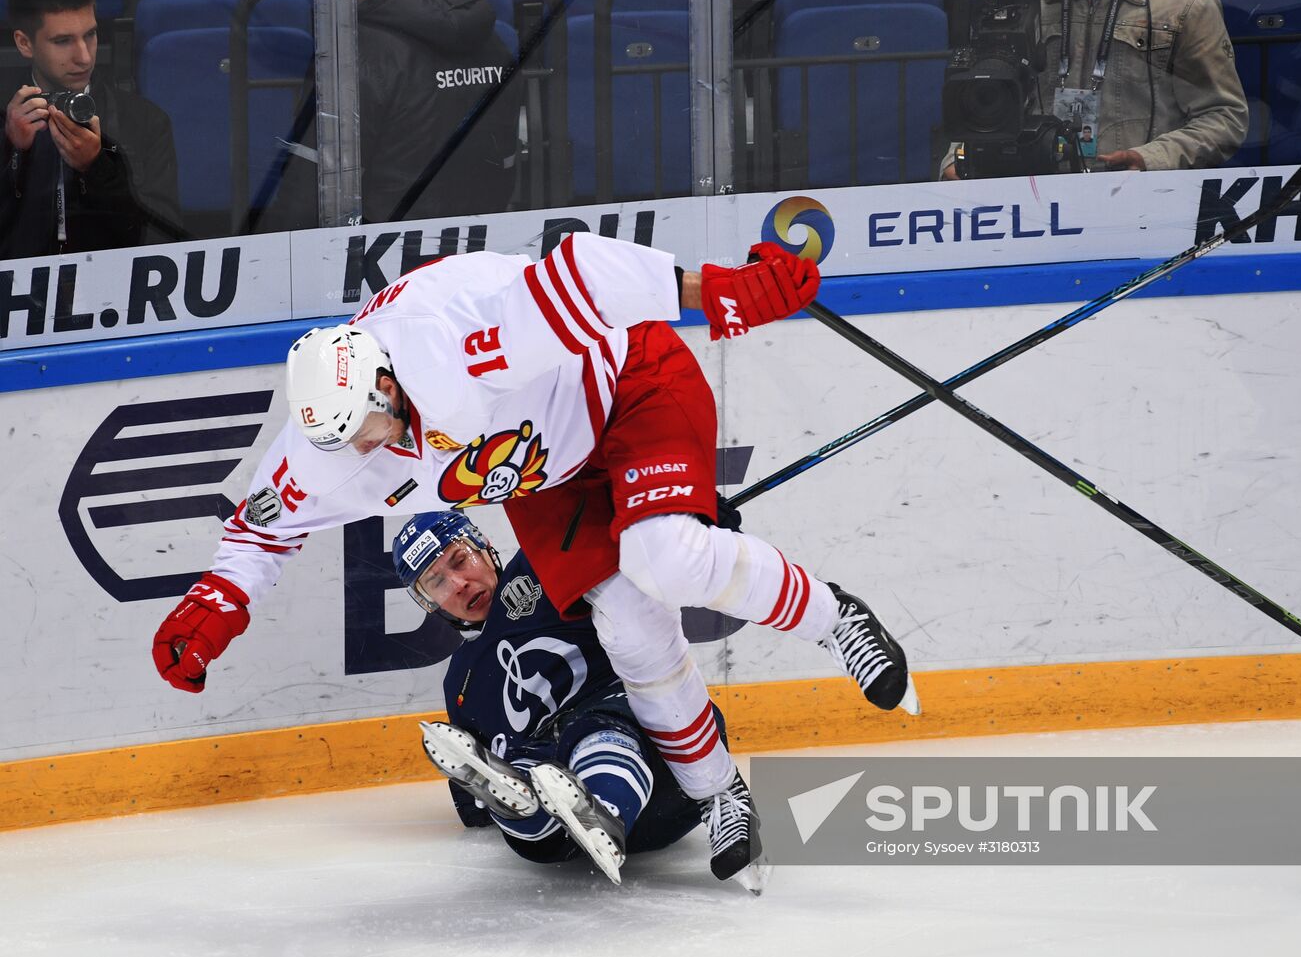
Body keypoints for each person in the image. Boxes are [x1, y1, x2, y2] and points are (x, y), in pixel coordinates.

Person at [150, 232, 921, 885]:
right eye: (340, 441)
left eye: (363, 430)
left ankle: (835, 617)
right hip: (540, 469)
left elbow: (583, 270)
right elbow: (263, 527)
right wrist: (217, 599)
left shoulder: (453, 338)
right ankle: (719, 793)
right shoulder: (332, 439)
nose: (355, 453)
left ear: (386, 384)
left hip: (628, 384)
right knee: (628, 621)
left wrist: (715, 288)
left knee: (668, 557)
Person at [394, 510, 765, 893]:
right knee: (528, 785)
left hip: (667, 774)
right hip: (573, 842)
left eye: (460, 559)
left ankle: (600, 808)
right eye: (436, 582)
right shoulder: (460, 680)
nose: (457, 584)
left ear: (485, 546)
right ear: (428, 603)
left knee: (597, 723)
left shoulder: (544, 563)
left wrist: (691, 523)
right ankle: (529, 808)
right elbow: (474, 810)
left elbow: (641, 548)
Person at [262, 0, 519, 229]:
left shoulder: (353, 52)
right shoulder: (493, 43)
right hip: (480, 250)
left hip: (384, 257)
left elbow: (308, 195)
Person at [943, 0, 1247, 177]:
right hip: (1038, 195)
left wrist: (1152, 159)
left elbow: (1223, 117)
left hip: (1139, 199)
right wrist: (959, 156)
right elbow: (986, 91)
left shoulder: (1185, 1)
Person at [0, 0, 181, 259]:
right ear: (24, 43)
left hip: (116, 287)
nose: (84, 56)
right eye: (63, 41)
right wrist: (13, 153)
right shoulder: (6, 123)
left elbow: (160, 238)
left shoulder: (145, 121)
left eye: (91, 34)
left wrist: (97, 168)